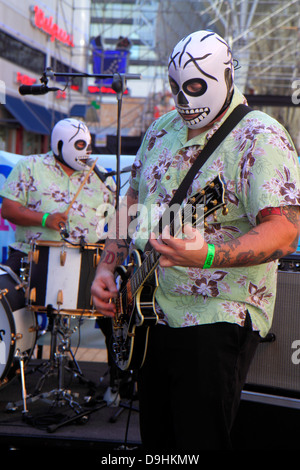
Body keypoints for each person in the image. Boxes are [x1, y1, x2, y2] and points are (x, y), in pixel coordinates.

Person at [91, 30, 300, 451]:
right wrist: (107, 264)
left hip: (216, 316)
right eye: (176, 88)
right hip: (152, 315)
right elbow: (132, 200)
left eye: (195, 87)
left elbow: (285, 230)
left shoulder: (261, 136)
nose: (184, 101)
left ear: (225, 76)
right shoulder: (160, 129)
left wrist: (206, 255)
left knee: (197, 445)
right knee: (159, 444)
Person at [0, 117, 122, 403]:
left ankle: (118, 380)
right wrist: (45, 219)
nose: (85, 151)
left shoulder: (100, 176)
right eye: (79, 145)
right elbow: (8, 209)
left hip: (88, 263)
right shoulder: (30, 167)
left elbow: (117, 221)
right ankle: (9, 368)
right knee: (10, 305)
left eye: (87, 145)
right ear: (59, 144)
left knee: (117, 307)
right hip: (32, 259)